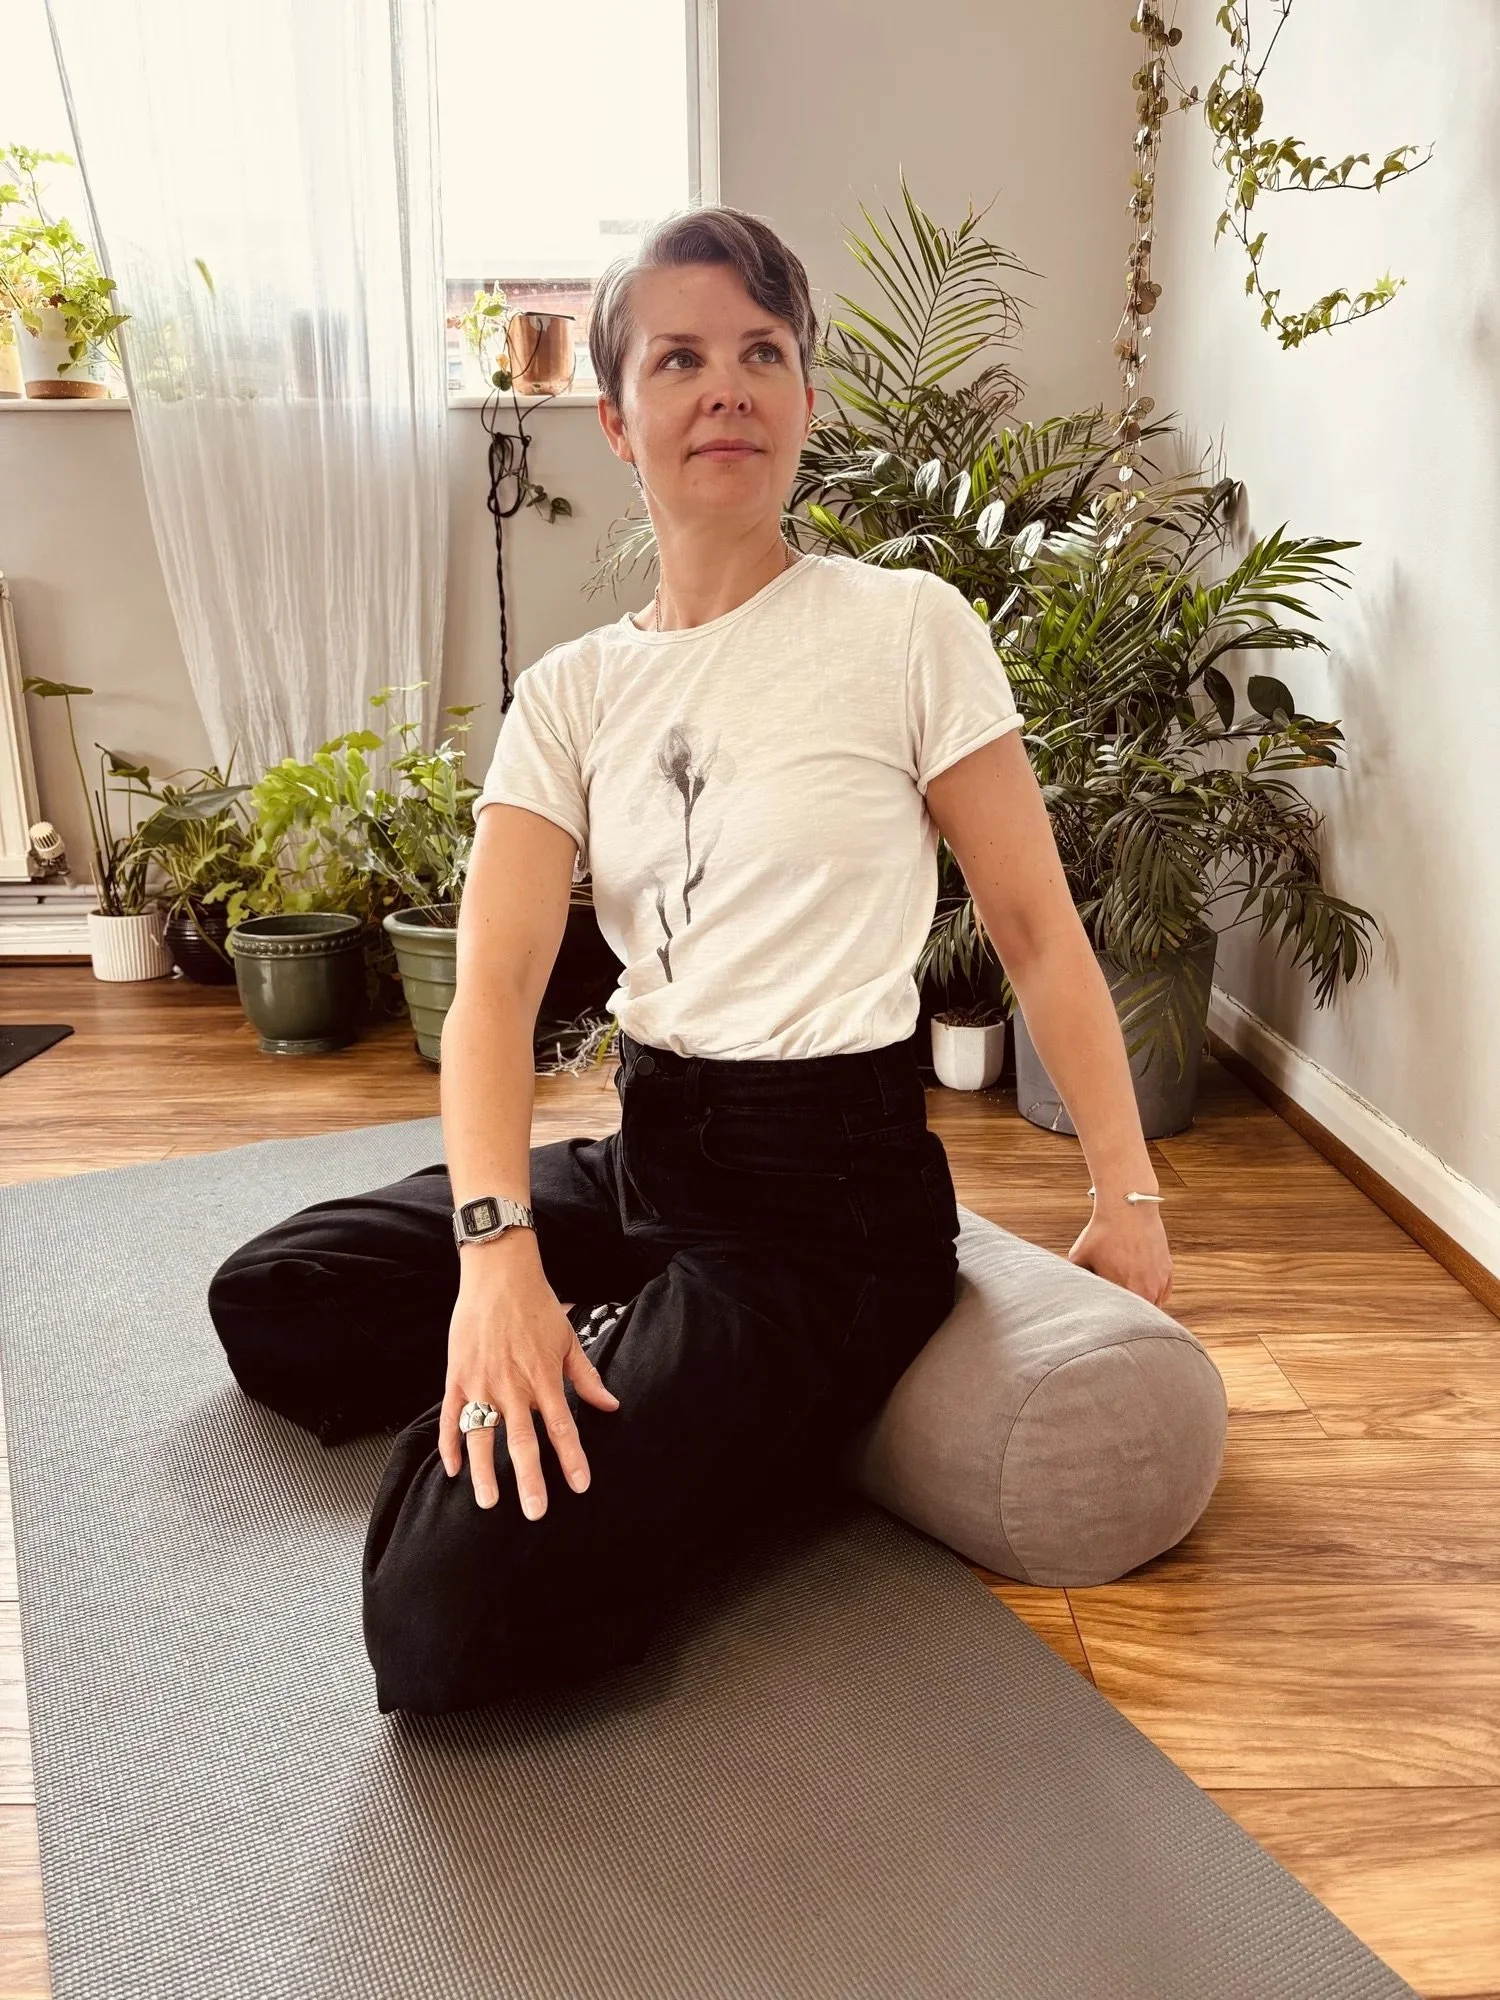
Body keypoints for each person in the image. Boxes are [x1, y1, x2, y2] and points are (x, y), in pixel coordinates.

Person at [207, 204, 1173, 1716]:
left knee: (441, 1616)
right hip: (650, 1147)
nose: (725, 385)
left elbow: (1040, 930)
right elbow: (497, 990)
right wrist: (495, 1256)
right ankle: (625, 1357)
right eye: (680, 357)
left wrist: (1126, 1196)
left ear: (802, 398)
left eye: (761, 352)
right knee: (278, 1296)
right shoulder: (574, 691)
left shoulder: (905, 627)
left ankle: (641, 1398)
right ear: (615, 417)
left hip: (824, 1212)